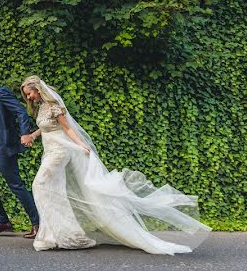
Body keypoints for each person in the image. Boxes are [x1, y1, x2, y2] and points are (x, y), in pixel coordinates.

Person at [20, 75, 211, 254]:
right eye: (27, 94)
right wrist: (33, 135)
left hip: (60, 152)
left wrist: (82, 146)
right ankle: (65, 235)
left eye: (30, 92)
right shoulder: (43, 106)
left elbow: (67, 128)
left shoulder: (54, 105)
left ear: (38, 89)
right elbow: (46, 127)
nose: (28, 97)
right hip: (49, 151)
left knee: (40, 185)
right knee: (55, 190)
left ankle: (57, 234)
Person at [0, 64, 40, 237]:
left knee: (16, 185)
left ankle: (37, 223)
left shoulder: (2, 93)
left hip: (4, 148)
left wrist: (25, 133)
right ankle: (3, 221)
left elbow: (21, 112)